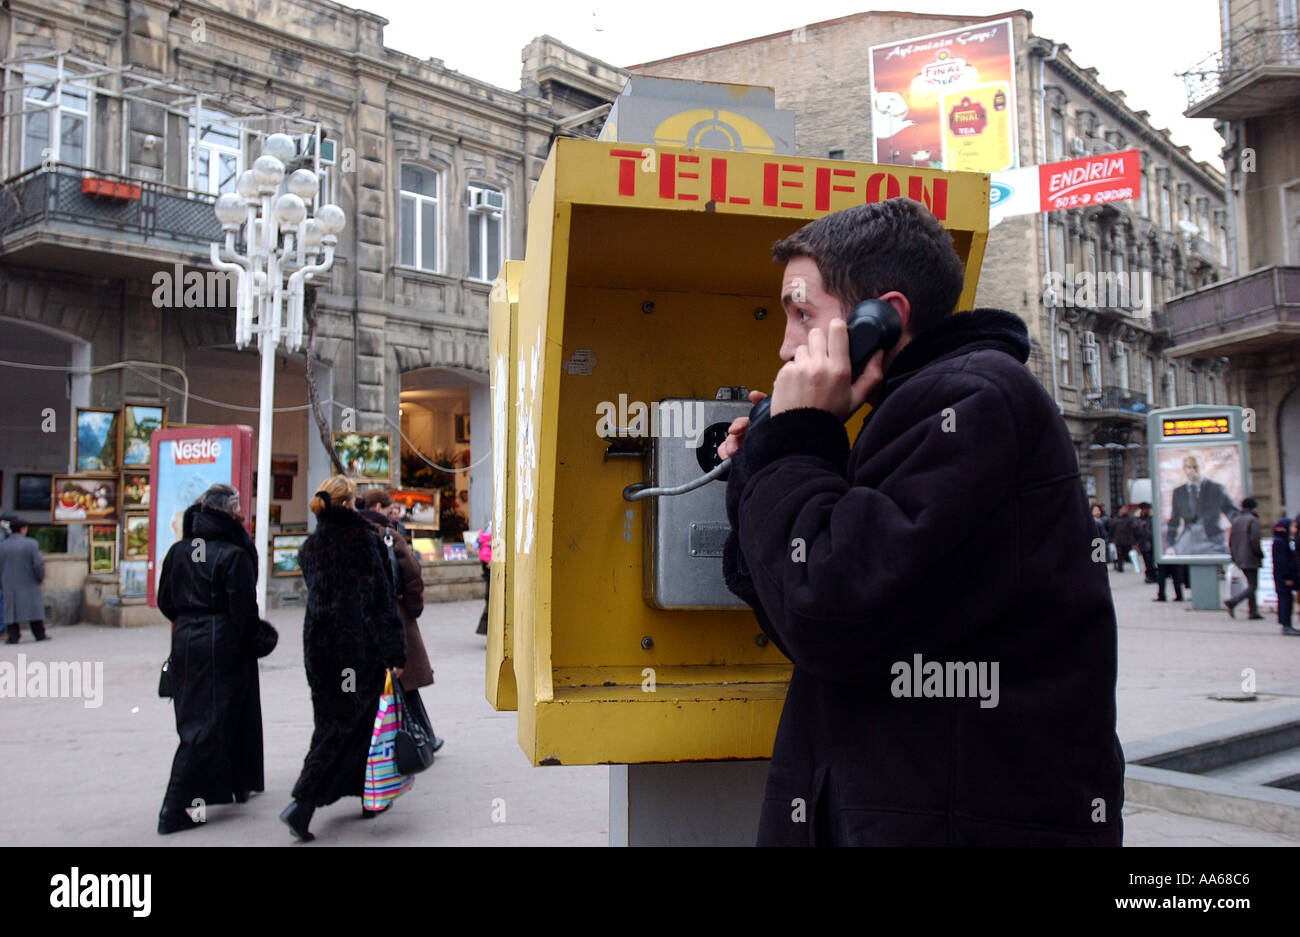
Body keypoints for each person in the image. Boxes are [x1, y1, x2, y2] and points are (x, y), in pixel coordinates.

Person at [717, 198, 1123, 846]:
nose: (786, 343)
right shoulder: (917, 409)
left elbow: (828, 605)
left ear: (884, 318)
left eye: (802, 315)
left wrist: (795, 444)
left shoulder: (971, 400)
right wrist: (768, 460)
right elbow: (809, 621)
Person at [282, 475, 406, 842]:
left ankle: (370, 796)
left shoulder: (310, 547)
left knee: (342, 721)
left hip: (319, 648)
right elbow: (381, 601)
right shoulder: (363, 542)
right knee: (342, 725)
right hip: (356, 650)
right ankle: (303, 801)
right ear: (351, 503)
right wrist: (395, 651)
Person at [155, 484, 266, 835]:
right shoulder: (233, 554)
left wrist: (192, 619)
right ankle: (173, 808)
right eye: (238, 509)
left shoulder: (179, 551)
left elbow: (166, 602)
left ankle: (234, 782)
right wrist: (258, 638)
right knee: (204, 725)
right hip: (223, 644)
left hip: (187, 640)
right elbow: (244, 611)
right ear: (229, 514)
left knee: (212, 716)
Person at [358, 490, 444, 754]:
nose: (391, 512)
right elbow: (413, 576)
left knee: (366, 684)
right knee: (402, 681)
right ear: (377, 506)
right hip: (394, 615)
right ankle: (422, 737)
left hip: (362, 620)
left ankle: (370, 741)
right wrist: (413, 608)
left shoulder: (354, 535)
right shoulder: (388, 535)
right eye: (388, 507)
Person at [1165, 454, 1237, 555]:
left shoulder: (1217, 489)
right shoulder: (1178, 492)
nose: (1192, 471)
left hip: (1214, 544)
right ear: (1184, 469)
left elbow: (1233, 514)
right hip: (1188, 544)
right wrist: (1170, 545)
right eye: (1188, 467)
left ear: (1202, 467)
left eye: (1196, 467)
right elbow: (1174, 521)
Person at [0, 517, 46, 644]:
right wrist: (40, 577)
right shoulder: (31, 544)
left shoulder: (2, 546)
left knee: (11, 611)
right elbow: (38, 564)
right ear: (22, 530)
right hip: (29, 582)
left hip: (8, 583)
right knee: (33, 609)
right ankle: (39, 634)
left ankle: (13, 636)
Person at [1225, 498, 1265, 620]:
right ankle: (1233, 601)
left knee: (1250, 584)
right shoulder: (1253, 520)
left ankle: (1253, 612)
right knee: (1253, 585)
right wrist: (1260, 554)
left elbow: (1231, 541)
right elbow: (1255, 540)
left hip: (1239, 557)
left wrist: (1234, 556)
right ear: (1253, 508)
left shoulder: (1236, 520)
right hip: (1250, 557)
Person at [1274, 517, 1299, 636]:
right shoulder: (1280, 542)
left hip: (1283, 576)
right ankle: (1286, 625)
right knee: (1285, 600)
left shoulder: (1283, 540)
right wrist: (1286, 577)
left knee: (1287, 600)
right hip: (1283, 577)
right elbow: (1281, 562)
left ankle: (1287, 625)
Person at [1135, 503, 1157, 583]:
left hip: (1152, 542)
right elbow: (1135, 531)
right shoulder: (1138, 519)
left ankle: (1153, 575)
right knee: (1147, 561)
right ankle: (1149, 576)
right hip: (1143, 543)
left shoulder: (1151, 518)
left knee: (1152, 560)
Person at [476, 522, 491, 636]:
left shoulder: (484, 542)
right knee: (490, 607)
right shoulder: (487, 544)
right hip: (489, 577)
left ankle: (486, 631)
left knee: (489, 606)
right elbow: (484, 557)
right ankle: (487, 631)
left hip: (488, 577)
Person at [1110, 505, 1136, 573]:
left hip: (1127, 539)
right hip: (1118, 539)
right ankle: (1120, 567)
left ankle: (1129, 563)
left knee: (1126, 553)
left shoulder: (1129, 518)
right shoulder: (1115, 519)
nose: (1125, 510)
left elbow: (1132, 529)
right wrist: (1112, 538)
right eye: (1123, 509)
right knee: (1119, 554)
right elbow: (1112, 529)